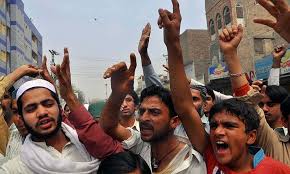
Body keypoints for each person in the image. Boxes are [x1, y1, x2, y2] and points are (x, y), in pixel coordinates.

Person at [163, 1, 290, 170]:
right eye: (214, 125)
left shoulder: (277, 170)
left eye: (229, 126)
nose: (217, 132)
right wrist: (173, 44)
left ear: (251, 136)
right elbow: (184, 108)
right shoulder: (212, 156)